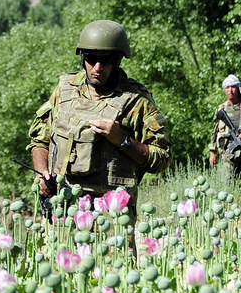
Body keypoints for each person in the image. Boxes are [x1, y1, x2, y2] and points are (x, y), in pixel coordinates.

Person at [28, 20, 170, 211]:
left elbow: (162, 159)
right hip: (62, 206)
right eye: (91, 58)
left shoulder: (137, 101)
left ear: (119, 59)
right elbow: (40, 140)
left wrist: (123, 141)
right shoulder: (64, 90)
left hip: (113, 215)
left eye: (105, 60)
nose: (97, 67)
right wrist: (41, 173)